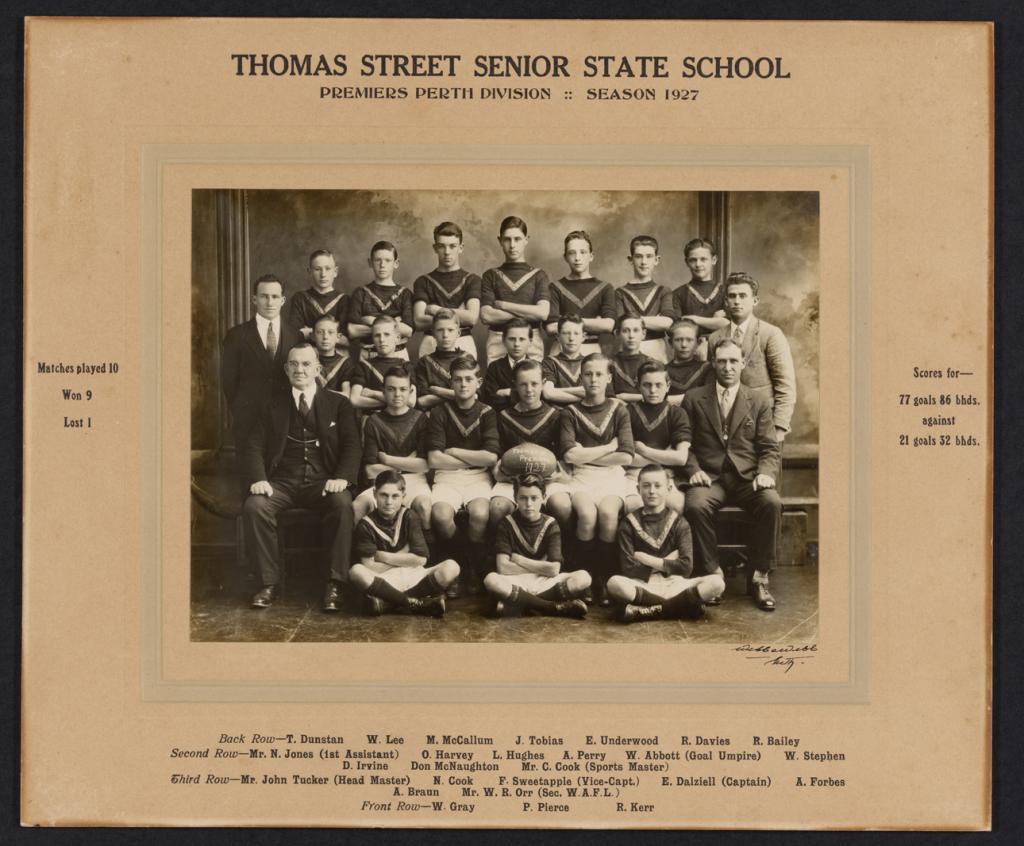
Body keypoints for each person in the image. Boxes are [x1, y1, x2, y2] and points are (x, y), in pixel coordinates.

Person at [239, 342, 361, 612]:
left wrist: (342, 477)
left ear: (318, 368)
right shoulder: (270, 404)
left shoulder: (338, 404)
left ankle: (335, 583)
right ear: (285, 369)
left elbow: (353, 444)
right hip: (281, 482)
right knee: (254, 506)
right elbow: (253, 446)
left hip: (322, 481)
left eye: (306, 364)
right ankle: (268, 583)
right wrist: (259, 478)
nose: (299, 369)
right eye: (293, 364)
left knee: (342, 503)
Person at [681, 338, 782, 611]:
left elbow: (769, 448)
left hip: (747, 478)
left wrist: (764, 473)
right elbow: (683, 444)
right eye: (722, 361)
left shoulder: (758, 399)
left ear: (743, 363)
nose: (727, 367)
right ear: (713, 363)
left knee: (771, 503)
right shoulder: (694, 398)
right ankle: (713, 574)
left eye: (733, 361)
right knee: (695, 505)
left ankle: (760, 577)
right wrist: (695, 470)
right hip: (710, 477)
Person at [560, 353, 639, 604]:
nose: (593, 379)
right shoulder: (569, 412)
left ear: (609, 378)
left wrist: (588, 454)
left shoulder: (619, 409)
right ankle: (584, 578)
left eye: (599, 374)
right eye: (588, 374)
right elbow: (570, 456)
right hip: (581, 477)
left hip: (613, 477)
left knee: (607, 513)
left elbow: (626, 456)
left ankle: (603, 577)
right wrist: (608, 448)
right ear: (581, 377)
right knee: (586, 514)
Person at [607, 464, 724, 623]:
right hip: (644, 585)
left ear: (668, 488)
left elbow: (686, 568)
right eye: (646, 486)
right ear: (638, 488)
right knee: (614, 583)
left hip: (675, 584)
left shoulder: (680, 523)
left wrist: (647, 559)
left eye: (658, 486)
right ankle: (680, 607)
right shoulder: (628, 524)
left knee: (717, 583)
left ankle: (651, 610)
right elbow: (628, 568)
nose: (652, 491)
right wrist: (669, 562)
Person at [426, 355, 500, 596]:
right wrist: (473, 455)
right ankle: (459, 564)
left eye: (469, 379)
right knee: (440, 514)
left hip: (478, 476)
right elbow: (434, 459)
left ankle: (473, 568)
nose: (463, 384)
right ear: (451, 383)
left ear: (478, 382)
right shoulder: (440, 412)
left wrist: (456, 451)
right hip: (447, 477)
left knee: (480, 513)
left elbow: (490, 458)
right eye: (457, 379)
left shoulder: (487, 412)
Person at [221, 274, 301, 480]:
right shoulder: (236, 336)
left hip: (285, 419)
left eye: (275, 297)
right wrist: (242, 410)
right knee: (250, 481)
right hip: (248, 418)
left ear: (283, 300)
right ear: (254, 299)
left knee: (281, 478)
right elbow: (228, 381)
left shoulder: (295, 336)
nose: (269, 302)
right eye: (264, 296)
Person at [348, 471, 460, 617]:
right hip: (385, 581)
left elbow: (421, 559)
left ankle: (388, 603)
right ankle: (416, 604)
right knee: (356, 571)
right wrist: (405, 555)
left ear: (403, 497)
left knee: (452, 567)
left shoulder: (410, 516)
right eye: (383, 495)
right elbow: (369, 566)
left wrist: (382, 556)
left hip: (414, 576)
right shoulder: (365, 525)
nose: (389, 502)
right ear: (374, 494)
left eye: (395, 496)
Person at [706, 272, 796, 443]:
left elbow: (786, 386)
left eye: (743, 296)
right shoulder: (715, 338)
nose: (737, 301)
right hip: (726, 424)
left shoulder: (770, 334)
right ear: (725, 302)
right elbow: (713, 384)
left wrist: (779, 428)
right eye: (732, 296)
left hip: (763, 423)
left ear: (754, 300)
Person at [483, 475, 590, 619]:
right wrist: (541, 566)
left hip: (543, 580)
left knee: (584, 577)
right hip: (516, 580)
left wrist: (519, 559)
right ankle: (551, 607)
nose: (529, 504)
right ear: (515, 498)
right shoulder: (506, 523)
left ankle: (520, 604)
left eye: (534, 498)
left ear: (543, 497)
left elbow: (553, 569)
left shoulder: (551, 524)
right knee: (491, 580)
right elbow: (503, 567)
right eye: (523, 498)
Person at [490, 359, 574, 533]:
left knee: (562, 505)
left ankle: (564, 550)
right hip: (513, 478)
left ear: (543, 384)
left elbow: (563, 459)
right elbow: (498, 459)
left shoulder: (556, 415)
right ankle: (499, 551)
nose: (529, 390)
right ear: (515, 385)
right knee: (497, 508)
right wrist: (500, 475)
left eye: (534, 384)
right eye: (523, 384)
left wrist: (558, 477)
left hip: (548, 479)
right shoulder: (503, 417)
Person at [352, 366, 432, 529]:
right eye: (391, 389)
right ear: (383, 391)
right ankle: (359, 553)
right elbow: (370, 471)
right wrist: (409, 463)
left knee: (424, 506)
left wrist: (387, 459)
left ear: (410, 391)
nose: (397, 394)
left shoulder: (421, 419)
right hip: (382, 483)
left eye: (403, 389)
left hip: (414, 483)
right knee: (356, 507)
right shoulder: (373, 421)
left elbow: (424, 465)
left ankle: (427, 554)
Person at [480, 215, 549, 363]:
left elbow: (542, 313)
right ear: (500, 241)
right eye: (507, 239)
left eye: (517, 239)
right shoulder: (490, 275)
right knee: (499, 385)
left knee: (530, 384)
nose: (512, 245)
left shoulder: (539, 275)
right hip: (498, 340)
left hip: (530, 339)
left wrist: (504, 305)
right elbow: (486, 316)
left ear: (526, 240)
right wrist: (529, 312)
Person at [412, 221, 481, 358]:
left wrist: (436, 310)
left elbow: (472, 318)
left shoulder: (472, 280)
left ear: (461, 248)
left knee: (463, 378)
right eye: (442, 246)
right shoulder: (423, 281)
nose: (447, 252)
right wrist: (459, 314)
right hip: (431, 342)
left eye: (452, 246)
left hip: (463, 342)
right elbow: (419, 321)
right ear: (435, 248)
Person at [627, 361, 689, 513]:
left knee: (676, 504)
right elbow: (626, 458)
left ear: (668, 386)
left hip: (666, 474)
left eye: (658, 385)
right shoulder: (627, 412)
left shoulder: (677, 413)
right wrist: (667, 455)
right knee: (633, 504)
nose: (653, 390)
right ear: (638, 385)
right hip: (634, 475)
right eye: (647, 385)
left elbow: (680, 458)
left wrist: (644, 450)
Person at [543, 230, 614, 357]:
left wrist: (564, 322)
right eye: (572, 253)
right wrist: (595, 323)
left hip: (591, 349)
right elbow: (550, 328)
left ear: (591, 256)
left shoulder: (605, 288)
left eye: (583, 252)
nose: (577, 258)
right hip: (561, 350)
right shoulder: (555, 288)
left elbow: (609, 325)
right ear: (565, 257)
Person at [347, 240, 414, 359]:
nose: (382, 265)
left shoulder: (405, 294)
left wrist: (371, 320)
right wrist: (395, 324)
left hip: (398, 354)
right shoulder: (361, 293)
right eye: (378, 260)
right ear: (370, 263)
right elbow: (352, 331)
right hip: (368, 354)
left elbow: (408, 330)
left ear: (396, 263)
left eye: (388, 260)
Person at [613, 235, 675, 363]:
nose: (643, 262)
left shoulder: (664, 291)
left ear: (656, 260)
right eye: (638, 256)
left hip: (658, 349)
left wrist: (631, 319)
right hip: (629, 350)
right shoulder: (620, 293)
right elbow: (620, 325)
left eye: (649, 256)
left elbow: (668, 323)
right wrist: (656, 321)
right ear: (631, 259)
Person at [670, 238, 729, 360]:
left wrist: (692, 319)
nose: (698, 264)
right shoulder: (678, 294)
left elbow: (728, 325)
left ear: (713, 260)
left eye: (703, 259)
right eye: (693, 260)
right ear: (686, 262)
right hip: (691, 352)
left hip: (724, 351)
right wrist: (714, 321)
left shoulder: (726, 291)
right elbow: (677, 328)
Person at [349, 316, 417, 412]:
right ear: (372, 339)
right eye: (377, 335)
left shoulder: (406, 366)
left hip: (399, 421)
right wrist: (398, 402)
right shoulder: (363, 366)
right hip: (372, 420)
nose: (382, 339)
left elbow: (411, 402)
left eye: (387, 334)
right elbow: (354, 400)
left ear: (397, 338)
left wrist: (374, 394)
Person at [287, 249, 349, 349]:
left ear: (335, 272)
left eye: (328, 269)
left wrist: (309, 332)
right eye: (317, 269)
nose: (323, 274)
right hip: (306, 355)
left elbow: (345, 339)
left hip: (337, 355)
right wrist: (331, 332)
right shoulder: (300, 298)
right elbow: (294, 335)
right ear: (309, 272)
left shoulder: (344, 300)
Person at [414, 309, 464, 410]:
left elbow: (475, 396)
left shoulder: (466, 358)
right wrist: (458, 395)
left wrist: (436, 390)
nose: (445, 335)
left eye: (450, 330)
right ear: (433, 333)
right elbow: (421, 401)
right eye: (440, 330)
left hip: (462, 415)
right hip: (433, 416)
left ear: (458, 333)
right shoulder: (424, 362)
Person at [480, 318, 532, 411]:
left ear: (530, 341)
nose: (516, 344)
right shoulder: (495, 367)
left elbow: (538, 399)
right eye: (512, 339)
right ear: (504, 340)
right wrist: (521, 396)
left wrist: (509, 392)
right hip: (501, 418)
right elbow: (489, 399)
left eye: (522, 339)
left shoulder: (537, 367)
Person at [608, 314, 655, 403]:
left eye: (636, 330)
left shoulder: (652, 364)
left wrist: (623, 396)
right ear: (617, 334)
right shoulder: (609, 363)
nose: (631, 336)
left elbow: (657, 396)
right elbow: (609, 398)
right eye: (626, 331)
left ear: (643, 334)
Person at [666, 318, 714, 404]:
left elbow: (708, 398)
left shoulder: (706, 368)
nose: (684, 345)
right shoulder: (662, 370)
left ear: (698, 343)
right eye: (678, 340)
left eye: (689, 340)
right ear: (670, 343)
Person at [541, 314, 586, 406]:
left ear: (583, 337)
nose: (571, 338)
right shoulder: (549, 362)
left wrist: (557, 391)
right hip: (558, 414)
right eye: (566, 333)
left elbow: (597, 394)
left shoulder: (590, 363)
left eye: (576, 333)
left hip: (586, 414)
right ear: (558, 337)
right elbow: (548, 394)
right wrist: (585, 395)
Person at [311, 314, 358, 396]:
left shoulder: (345, 363)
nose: (325, 337)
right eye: (320, 332)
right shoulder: (308, 361)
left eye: (330, 332)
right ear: (313, 336)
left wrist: (317, 394)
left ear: (338, 337)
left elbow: (346, 395)